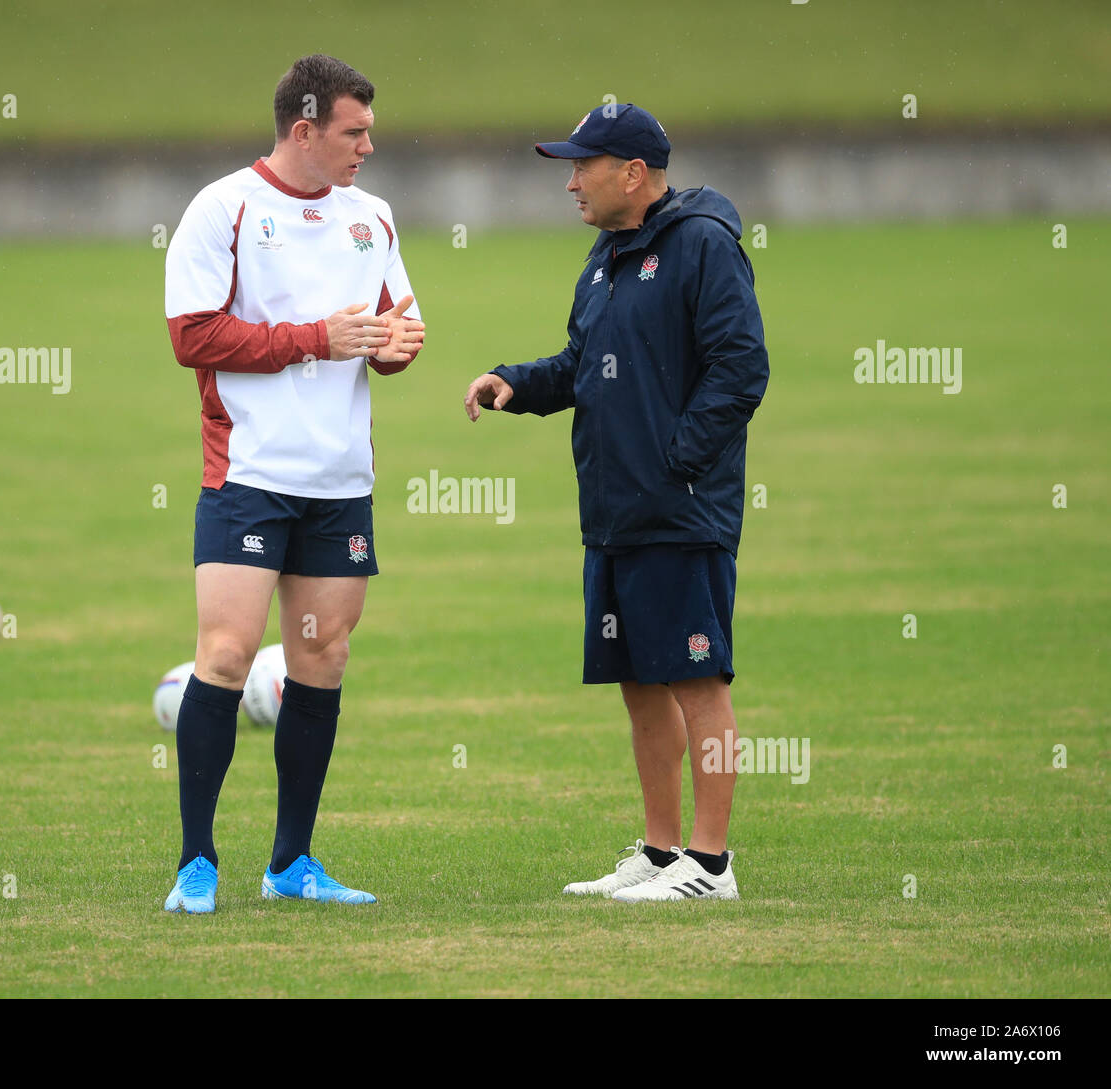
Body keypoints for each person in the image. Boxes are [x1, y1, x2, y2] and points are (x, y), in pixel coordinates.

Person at [464, 103, 768, 901]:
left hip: (679, 510)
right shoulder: (605, 255)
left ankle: (712, 863)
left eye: (581, 167)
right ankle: (664, 852)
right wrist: (517, 384)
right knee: (641, 682)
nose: (569, 182)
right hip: (613, 513)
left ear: (632, 174)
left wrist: (676, 462)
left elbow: (741, 370)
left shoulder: (703, 245)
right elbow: (582, 362)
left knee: (700, 685)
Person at [161, 54, 424, 912]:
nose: (368, 147)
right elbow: (193, 336)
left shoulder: (372, 217)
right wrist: (316, 337)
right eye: (354, 131)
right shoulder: (223, 206)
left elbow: (389, 327)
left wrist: (394, 348)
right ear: (304, 128)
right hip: (247, 473)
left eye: (370, 131)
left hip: (340, 479)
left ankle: (292, 863)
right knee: (228, 654)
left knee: (323, 658)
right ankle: (196, 862)